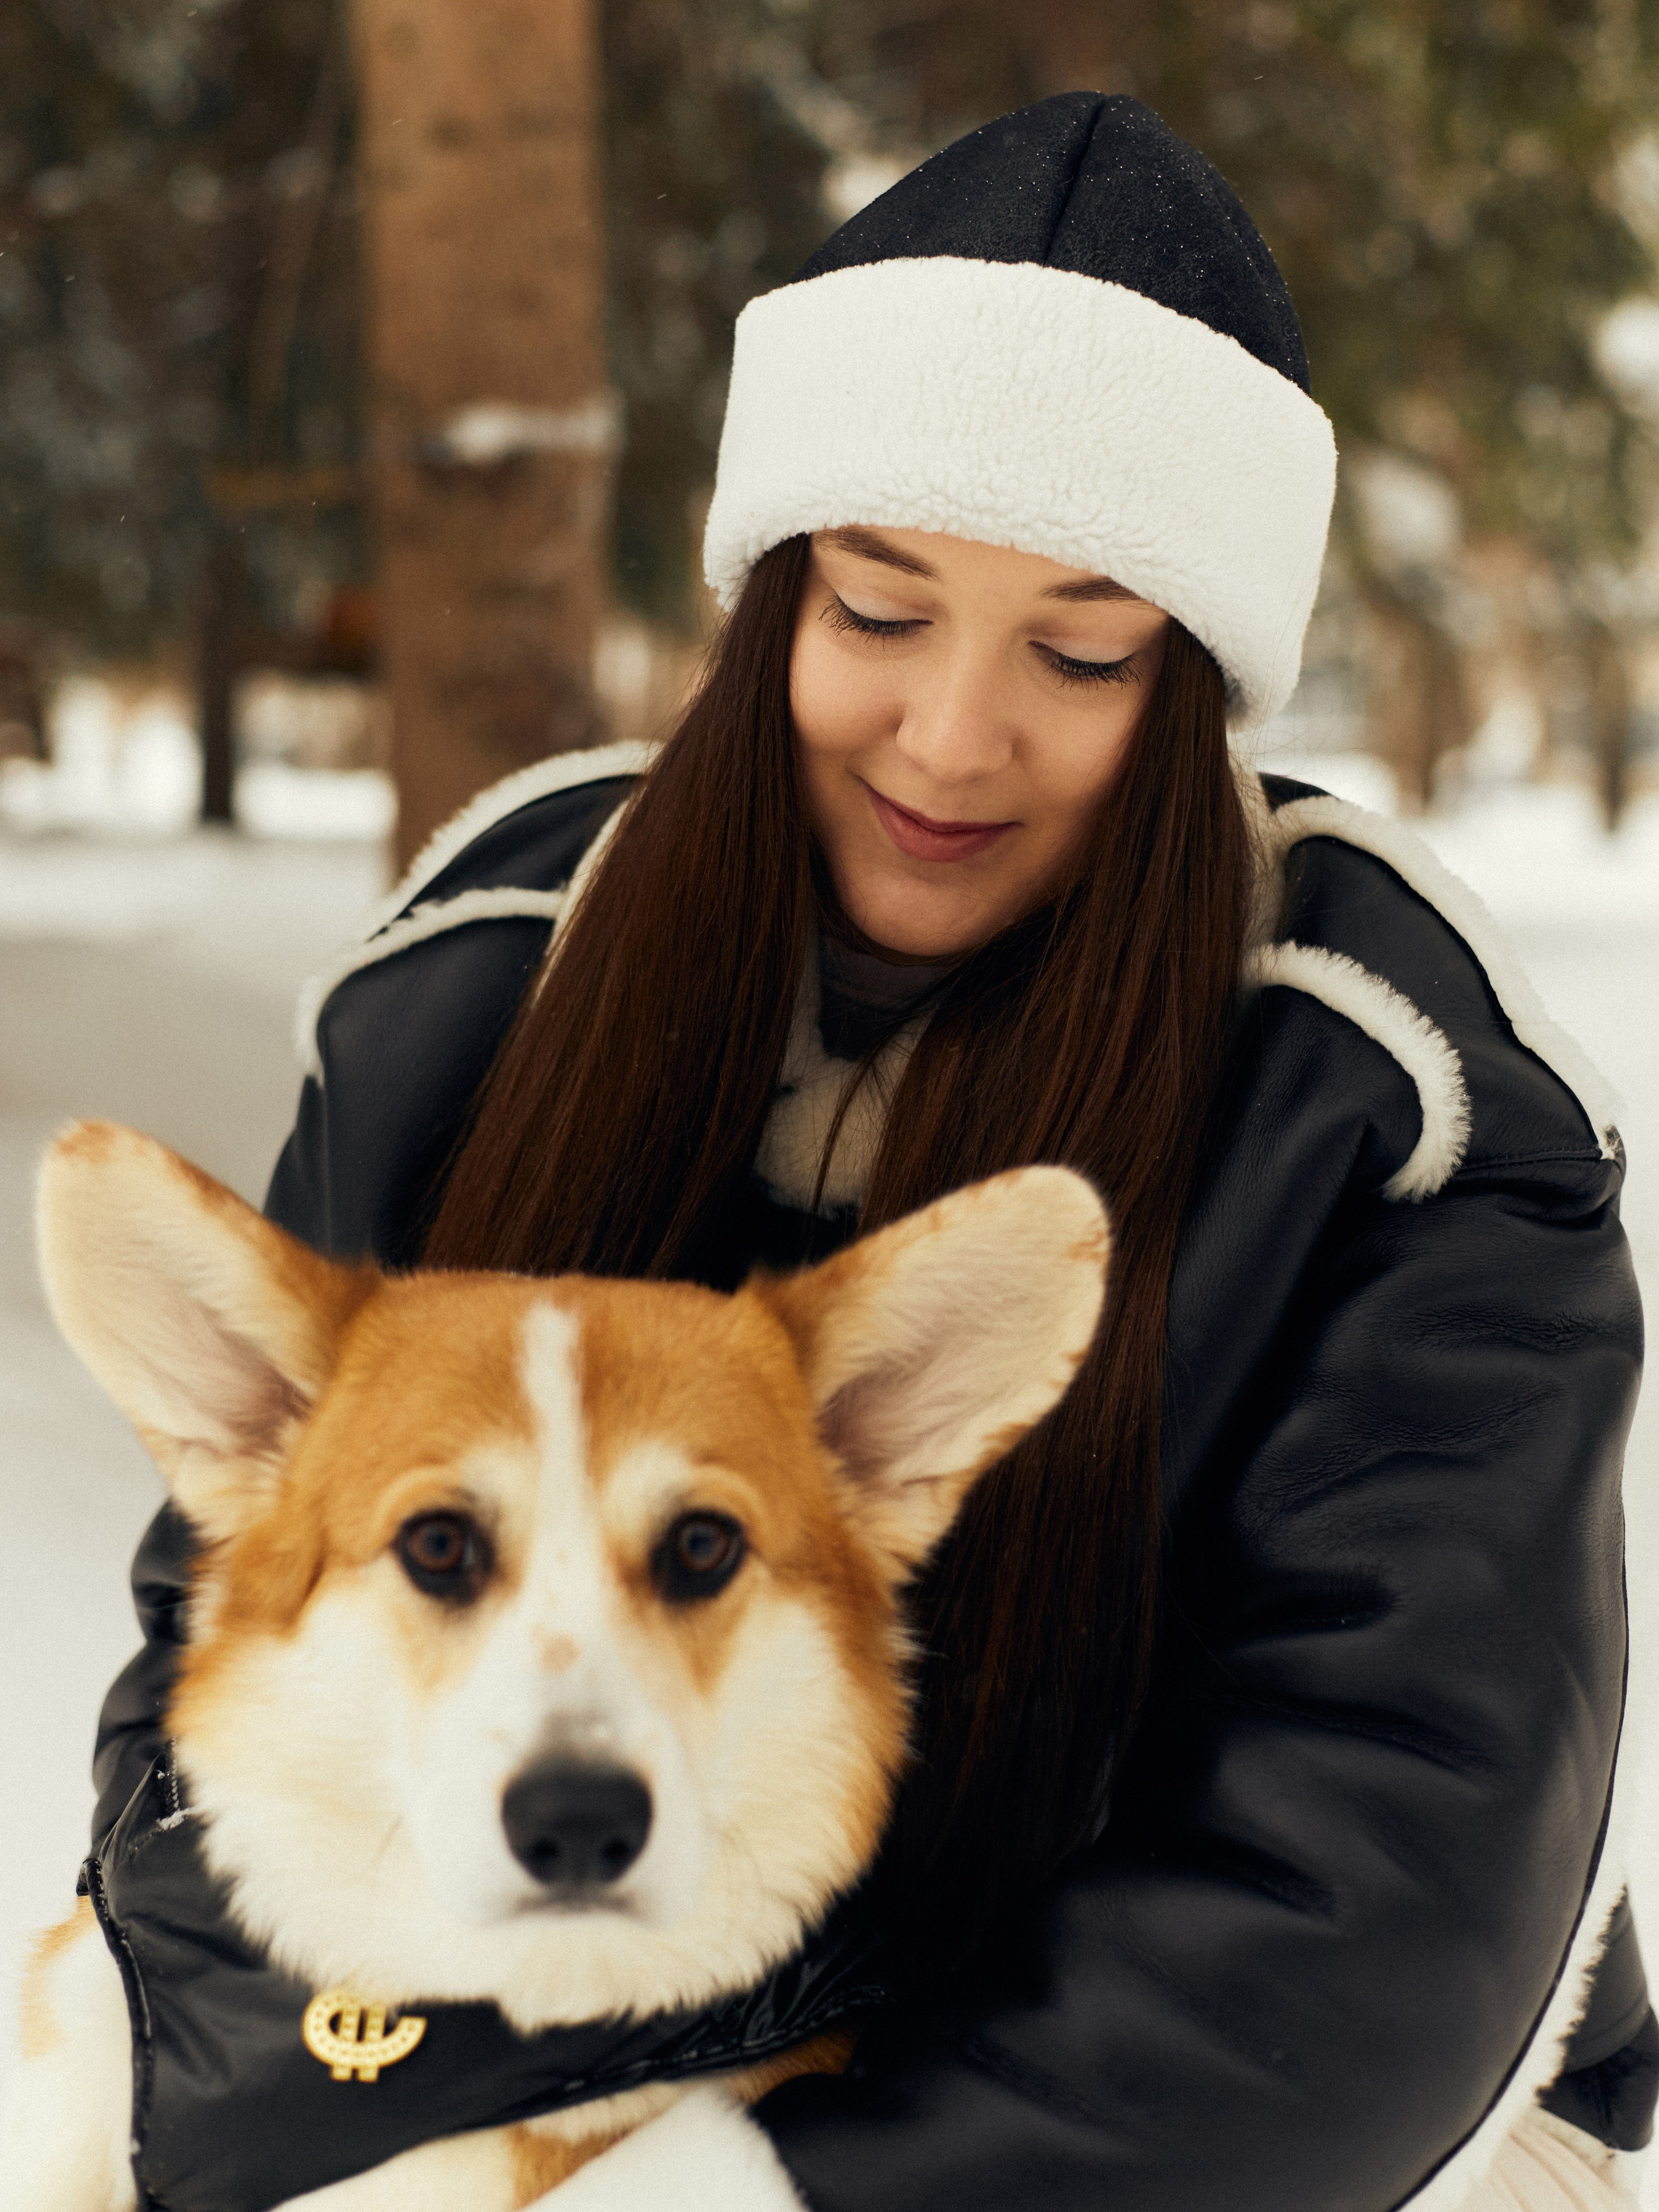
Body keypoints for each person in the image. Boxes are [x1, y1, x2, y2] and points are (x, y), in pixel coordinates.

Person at [86, 92, 1646, 2212]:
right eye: (878, 606)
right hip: (581, 2030)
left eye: (1082, 652)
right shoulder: (493, 982)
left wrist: (745, 2195)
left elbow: (1385, 1910)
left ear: (1195, 696)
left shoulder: (1387, 1113)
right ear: (768, 605)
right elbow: (235, 1639)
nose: (950, 734)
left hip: (1274, 2133)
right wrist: (249, 2087)